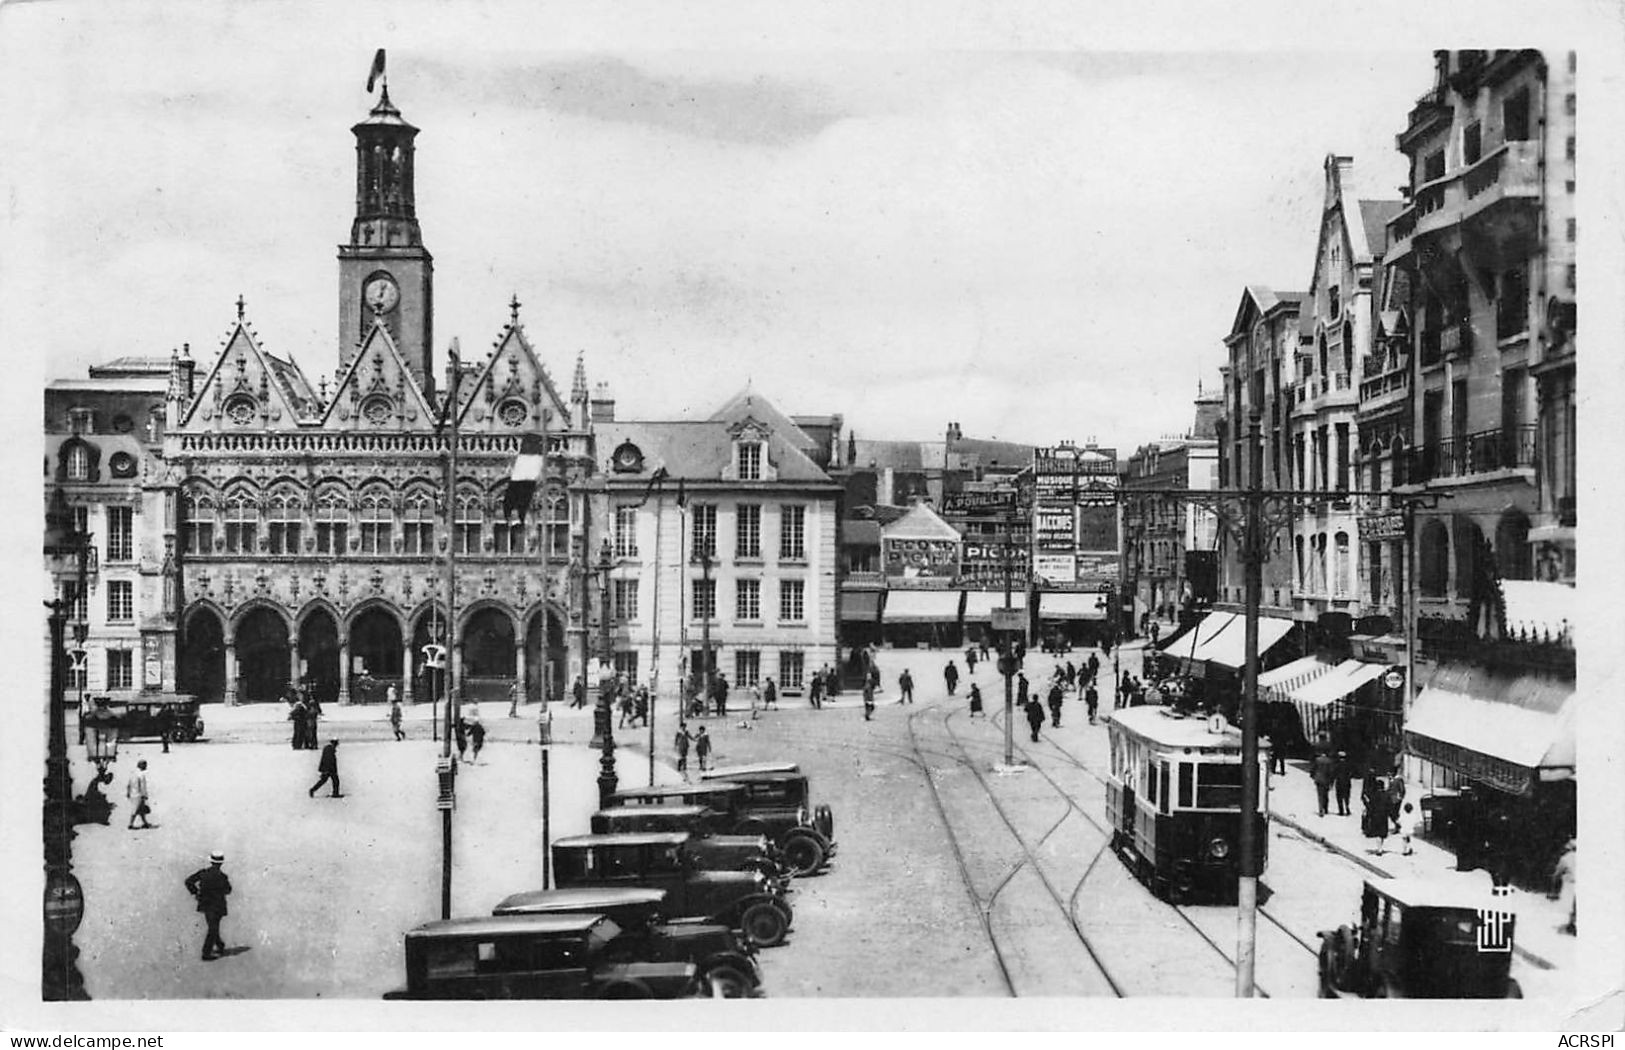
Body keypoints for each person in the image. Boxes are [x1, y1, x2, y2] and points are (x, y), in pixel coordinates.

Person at [184, 851, 232, 962]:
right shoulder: (223, 876)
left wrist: (195, 893)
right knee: (213, 927)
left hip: (205, 904)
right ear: (221, 863)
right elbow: (228, 890)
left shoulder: (203, 873)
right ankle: (206, 953)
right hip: (218, 905)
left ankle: (219, 945)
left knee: (212, 926)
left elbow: (188, 881)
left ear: (211, 861)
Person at [126, 759, 153, 830]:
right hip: (139, 794)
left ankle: (145, 823)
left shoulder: (133, 773)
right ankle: (130, 824)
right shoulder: (141, 775)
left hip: (132, 794)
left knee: (140, 809)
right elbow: (142, 786)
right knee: (135, 809)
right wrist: (145, 795)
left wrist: (128, 793)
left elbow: (128, 784)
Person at [1310, 750, 1336, 817]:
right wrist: (1331, 781)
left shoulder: (1317, 760)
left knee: (1320, 795)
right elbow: (1331, 771)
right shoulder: (1329, 761)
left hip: (1319, 779)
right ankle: (1326, 808)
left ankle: (1321, 809)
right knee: (1326, 794)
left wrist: (1312, 776)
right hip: (1326, 780)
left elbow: (1313, 769)